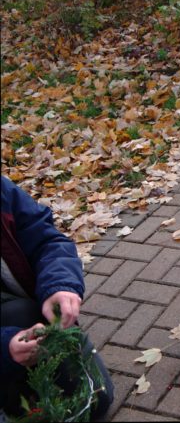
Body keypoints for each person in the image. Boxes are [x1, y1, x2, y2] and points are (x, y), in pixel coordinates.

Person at [1, 175, 114, 419]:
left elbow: (46, 240)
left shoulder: (2, 191)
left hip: (16, 315)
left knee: (95, 402)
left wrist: (59, 286)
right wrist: (4, 348)